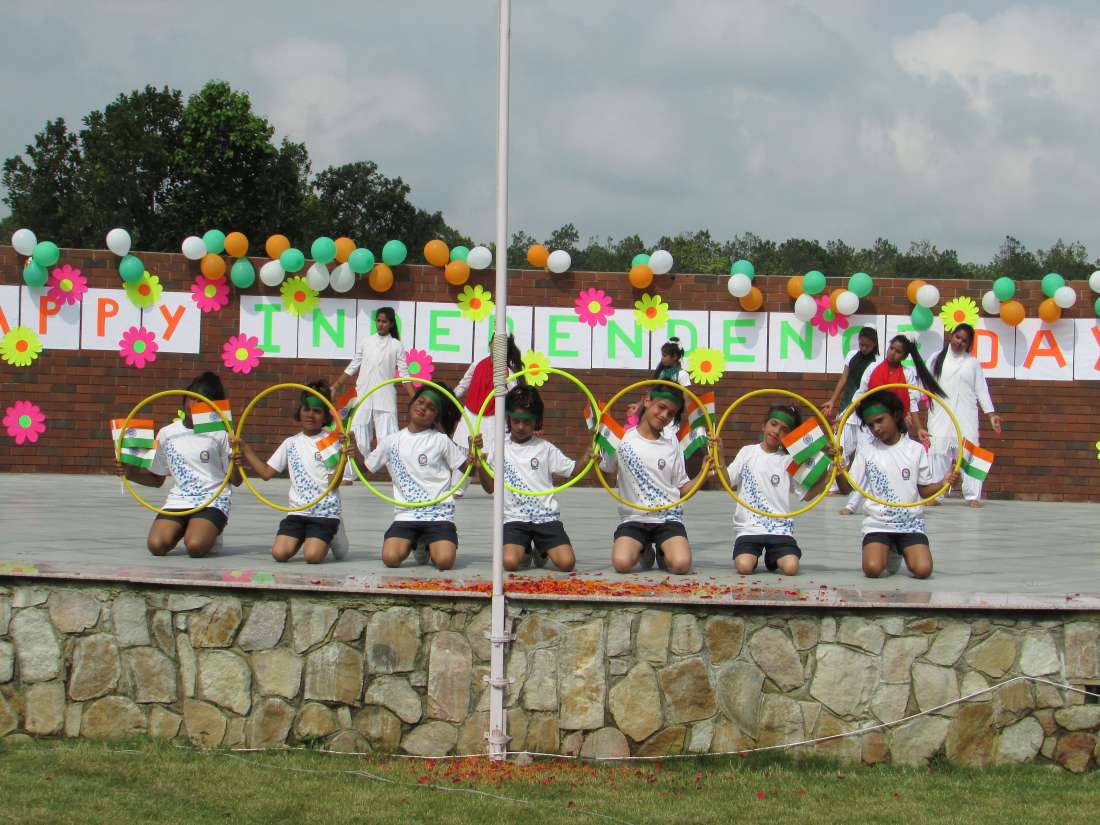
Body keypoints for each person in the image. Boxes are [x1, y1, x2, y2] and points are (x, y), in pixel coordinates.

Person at [834, 390, 959, 579]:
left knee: (923, 570)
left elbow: (925, 491)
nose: (876, 428)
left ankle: (898, 548)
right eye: (870, 425)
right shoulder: (866, 451)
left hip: (910, 522)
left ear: (896, 415)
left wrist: (943, 482)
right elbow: (846, 489)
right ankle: (888, 549)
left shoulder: (915, 450)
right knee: (872, 569)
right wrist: (839, 471)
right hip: (878, 522)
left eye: (880, 420)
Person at [116, 371, 239, 558]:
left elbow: (236, 480)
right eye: (192, 398)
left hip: (213, 500)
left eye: (203, 401)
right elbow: (157, 479)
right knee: (157, 546)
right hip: (179, 500)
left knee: (196, 546)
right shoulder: (167, 433)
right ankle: (190, 527)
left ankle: (209, 530)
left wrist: (236, 461)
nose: (194, 405)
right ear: (184, 399)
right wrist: (129, 473)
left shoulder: (221, 433)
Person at [231, 381, 352, 564]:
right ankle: (307, 535)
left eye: (317, 411)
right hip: (297, 512)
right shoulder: (290, 443)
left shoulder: (330, 441)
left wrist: (343, 458)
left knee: (312, 557)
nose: (310, 415)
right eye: (306, 409)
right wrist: (245, 449)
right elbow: (266, 473)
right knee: (279, 554)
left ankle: (334, 529)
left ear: (325, 416)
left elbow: (332, 484)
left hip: (324, 512)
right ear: (299, 411)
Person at [472, 385, 587, 572]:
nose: (520, 427)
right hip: (515, 518)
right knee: (510, 563)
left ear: (537, 421)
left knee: (567, 564)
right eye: (516, 420)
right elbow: (490, 487)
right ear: (508, 418)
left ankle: (542, 550)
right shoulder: (499, 447)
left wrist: (589, 454)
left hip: (545, 517)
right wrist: (480, 468)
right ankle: (524, 550)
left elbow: (573, 470)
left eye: (527, 422)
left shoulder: (545, 448)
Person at [599, 386, 711, 575]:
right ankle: (643, 549)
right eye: (661, 407)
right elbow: (606, 472)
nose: (664, 415)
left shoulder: (672, 443)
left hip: (667, 518)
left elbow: (682, 489)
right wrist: (596, 452)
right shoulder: (622, 439)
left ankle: (663, 551)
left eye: (670, 414)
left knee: (681, 565)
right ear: (647, 400)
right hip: (634, 518)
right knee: (621, 563)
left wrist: (703, 473)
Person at [364, 381, 475, 571]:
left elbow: (466, 469)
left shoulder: (441, 440)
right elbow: (366, 467)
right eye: (421, 402)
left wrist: (474, 459)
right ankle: (419, 542)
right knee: (390, 559)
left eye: (431, 408)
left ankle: (433, 542)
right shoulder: (391, 441)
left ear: (436, 417)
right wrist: (349, 451)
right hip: (406, 513)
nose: (423, 408)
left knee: (444, 562)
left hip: (438, 513)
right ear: (411, 403)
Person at [713, 404, 832, 576]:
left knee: (791, 568)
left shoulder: (790, 460)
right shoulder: (747, 452)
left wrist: (828, 472)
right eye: (773, 424)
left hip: (779, 528)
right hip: (749, 527)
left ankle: (773, 557)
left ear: (790, 436)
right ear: (764, 425)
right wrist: (720, 455)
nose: (776, 431)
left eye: (784, 429)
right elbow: (727, 480)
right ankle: (756, 555)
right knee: (744, 567)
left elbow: (807, 495)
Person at [838, 334, 945, 515]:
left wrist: (919, 428)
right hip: (871, 424)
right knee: (865, 461)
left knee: (898, 464)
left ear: (904, 356)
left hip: (896, 426)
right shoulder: (873, 367)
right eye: (891, 348)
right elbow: (860, 393)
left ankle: (902, 501)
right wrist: (844, 416)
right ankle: (852, 504)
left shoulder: (907, 374)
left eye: (898, 351)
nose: (892, 353)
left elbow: (912, 401)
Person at [332, 307, 412, 480]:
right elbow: (353, 366)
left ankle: (398, 477)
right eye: (378, 321)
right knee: (357, 436)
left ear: (391, 324)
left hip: (385, 398)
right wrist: (336, 386)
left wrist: (415, 398)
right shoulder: (366, 341)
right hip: (363, 396)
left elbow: (404, 375)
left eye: (384, 321)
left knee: (389, 439)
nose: (380, 324)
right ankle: (350, 474)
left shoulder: (396, 345)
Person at [928, 323, 1002, 507]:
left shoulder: (972, 363)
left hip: (966, 413)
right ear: (951, 336)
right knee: (938, 452)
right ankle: (936, 494)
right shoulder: (936, 358)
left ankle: (973, 496)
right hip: (941, 413)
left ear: (969, 344)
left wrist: (991, 414)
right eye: (957, 337)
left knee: (971, 452)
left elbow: (981, 390)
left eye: (964, 340)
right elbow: (924, 385)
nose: (959, 342)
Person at [450, 334, 524, 496]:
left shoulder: (507, 372)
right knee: (466, 453)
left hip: (493, 419)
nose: (497, 348)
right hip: (471, 414)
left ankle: (498, 486)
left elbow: (515, 397)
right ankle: (457, 487)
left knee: (492, 455)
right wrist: (450, 398)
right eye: (494, 343)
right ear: (490, 344)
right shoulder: (477, 364)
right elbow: (463, 385)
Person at [821, 326, 880, 465]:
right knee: (839, 449)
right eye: (861, 344)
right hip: (846, 408)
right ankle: (835, 476)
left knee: (864, 455)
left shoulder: (878, 362)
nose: (863, 348)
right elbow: (843, 379)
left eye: (867, 346)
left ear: (874, 344)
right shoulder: (852, 355)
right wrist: (832, 400)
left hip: (864, 413)